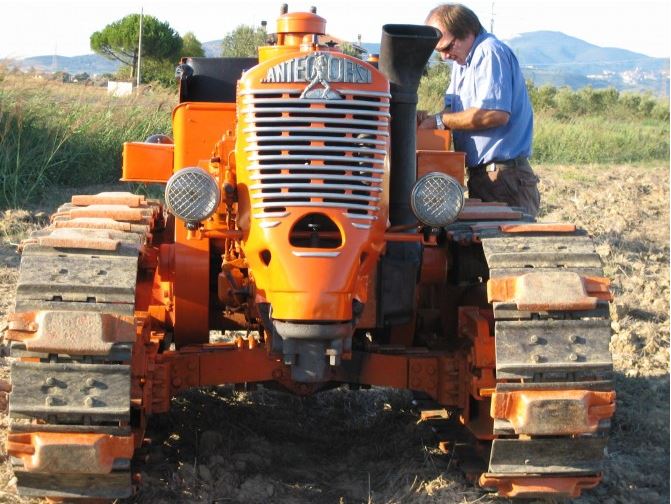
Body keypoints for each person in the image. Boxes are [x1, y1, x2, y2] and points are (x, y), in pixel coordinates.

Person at [418, 3, 540, 217]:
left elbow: (495, 113)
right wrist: (427, 118)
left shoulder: (489, 52)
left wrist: (440, 121)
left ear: (467, 31)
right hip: (484, 176)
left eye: (447, 47)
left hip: (504, 178)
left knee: (508, 242)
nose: (445, 56)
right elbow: (452, 108)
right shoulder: (462, 63)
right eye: (440, 52)